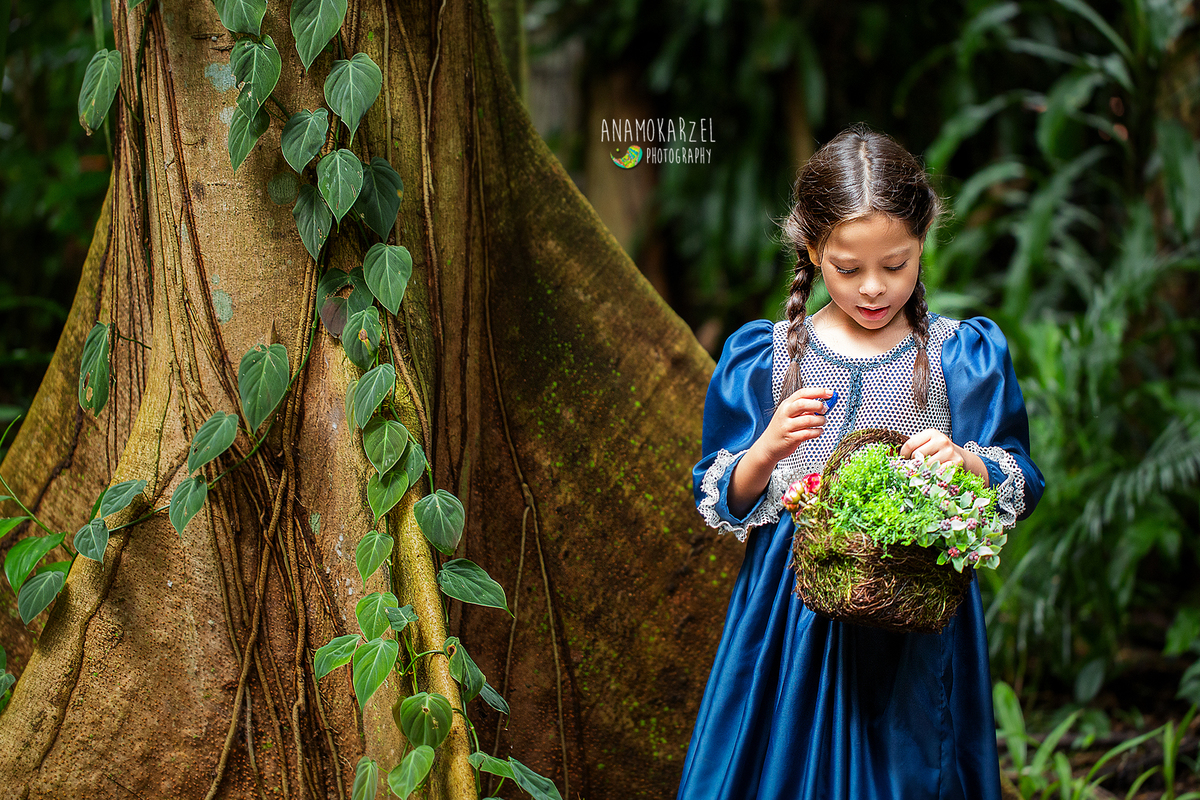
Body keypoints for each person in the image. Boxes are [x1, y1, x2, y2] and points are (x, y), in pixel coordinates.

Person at [677, 124, 1045, 800]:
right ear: (812, 250)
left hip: (918, 611)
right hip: (792, 619)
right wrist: (765, 452)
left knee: (913, 769)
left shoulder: (960, 354)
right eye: (849, 270)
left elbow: (1019, 472)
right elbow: (719, 491)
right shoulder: (769, 358)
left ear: (924, 241)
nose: (874, 288)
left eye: (896, 265)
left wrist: (967, 463)